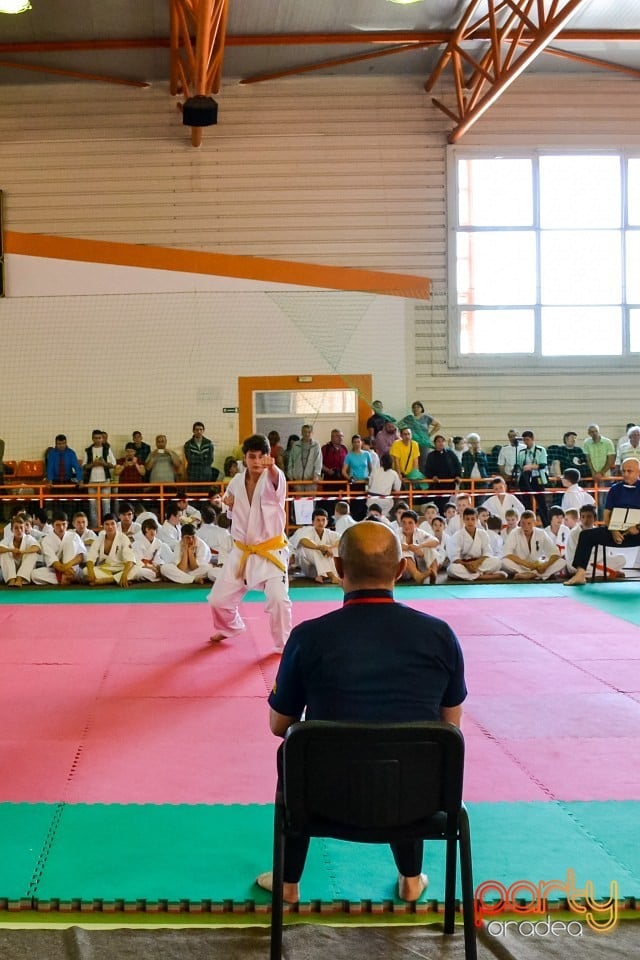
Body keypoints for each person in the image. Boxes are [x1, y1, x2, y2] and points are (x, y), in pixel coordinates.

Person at [259, 521, 467, 904]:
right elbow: (449, 727)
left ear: (338, 568)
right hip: (418, 802)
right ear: (402, 569)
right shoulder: (440, 636)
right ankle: (410, 878)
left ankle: (289, 882)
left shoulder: (308, 637)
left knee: (293, 750)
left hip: (322, 800)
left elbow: (279, 725)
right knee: (417, 748)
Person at [208, 434, 292, 653]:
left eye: (260, 457)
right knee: (218, 600)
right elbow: (230, 509)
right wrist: (226, 503)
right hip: (242, 551)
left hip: (270, 551)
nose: (256, 462)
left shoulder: (274, 476)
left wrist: (272, 468)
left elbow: (277, 481)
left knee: (278, 599)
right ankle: (230, 627)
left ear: (267, 457)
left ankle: (283, 645)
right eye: (251, 457)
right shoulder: (236, 481)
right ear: (244, 458)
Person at [565, 458, 640, 585]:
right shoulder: (615, 489)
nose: (626, 474)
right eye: (624, 471)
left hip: (636, 532)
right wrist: (613, 530)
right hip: (614, 531)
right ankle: (580, 574)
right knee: (586, 535)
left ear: (638, 472)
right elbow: (606, 514)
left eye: (629, 471)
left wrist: (638, 528)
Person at [502, 510, 565, 581]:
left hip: (537, 566)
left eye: (529, 523)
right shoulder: (515, 533)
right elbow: (507, 554)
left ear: (534, 523)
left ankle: (531, 574)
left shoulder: (541, 533)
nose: (526, 526)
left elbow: (555, 553)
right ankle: (534, 574)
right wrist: (526, 564)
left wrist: (546, 565)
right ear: (520, 523)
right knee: (505, 561)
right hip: (520, 565)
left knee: (561, 562)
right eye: (523, 523)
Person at [446, 507, 504, 581]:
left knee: (497, 562)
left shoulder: (483, 533)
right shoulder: (457, 535)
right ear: (463, 520)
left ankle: (470, 576)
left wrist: (477, 563)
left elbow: (487, 552)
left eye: (473, 519)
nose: (470, 522)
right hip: (464, 564)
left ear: (477, 520)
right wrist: (467, 565)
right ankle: (482, 576)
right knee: (452, 569)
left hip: (479, 563)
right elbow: (454, 557)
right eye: (467, 519)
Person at [31, 512, 86, 585]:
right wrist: (64, 570)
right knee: (34, 574)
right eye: (58, 525)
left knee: (70, 542)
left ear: (67, 524)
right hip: (57, 571)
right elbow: (54, 563)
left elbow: (80, 556)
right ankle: (67, 578)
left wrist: (68, 566)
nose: (61, 528)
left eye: (64, 524)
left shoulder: (73, 536)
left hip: (73, 569)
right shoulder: (46, 540)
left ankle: (66, 578)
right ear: (52, 525)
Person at [85, 513, 139, 586]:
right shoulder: (99, 539)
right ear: (103, 526)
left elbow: (130, 560)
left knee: (137, 568)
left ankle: (108, 580)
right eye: (107, 524)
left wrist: (124, 574)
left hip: (122, 567)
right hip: (107, 569)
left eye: (112, 524)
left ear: (116, 525)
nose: (110, 527)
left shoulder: (123, 538)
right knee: (85, 571)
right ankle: (116, 579)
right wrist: (91, 573)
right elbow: (90, 558)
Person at [289, 508, 340, 584]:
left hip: (318, 569)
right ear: (313, 522)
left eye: (323, 520)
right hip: (305, 564)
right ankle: (332, 576)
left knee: (335, 548)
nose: (321, 523)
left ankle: (322, 576)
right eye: (318, 520)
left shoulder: (329, 533)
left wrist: (329, 548)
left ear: (327, 522)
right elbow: (303, 541)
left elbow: (342, 539)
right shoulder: (306, 530)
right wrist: (320, 547)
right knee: (315, 550)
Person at [82, 429, 116, 527]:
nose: (98, 440)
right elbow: (84, 466)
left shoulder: (107, 449)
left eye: (99, 438)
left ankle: (107, 526)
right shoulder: (88, 450)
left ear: (102, 439)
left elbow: (113, 464)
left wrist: (103, 463)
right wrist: (93, 464)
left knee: (106, 505)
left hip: (105, 480)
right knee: (93, 506)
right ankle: (95, 526)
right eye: (96, 438)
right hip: (92, 481)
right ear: (92, 439)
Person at [515, 429, 549, 525]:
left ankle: (546, 523)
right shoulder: (521, 452)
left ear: (533, 439)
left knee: (541, 502)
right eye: (524, 440)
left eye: (528, 439)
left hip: (537, 477)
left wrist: (531, 466)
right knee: (526, 502)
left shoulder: (540, 450)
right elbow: (519, 466)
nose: (526, 442)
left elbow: (543, 464)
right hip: (525, 478)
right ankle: (528, 522)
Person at [0, 515, 40, 586]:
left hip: (25, 570)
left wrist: (22, 552)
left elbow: (37, 547)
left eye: (21, 528)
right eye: (16, 528)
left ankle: (20, 579)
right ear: (12, 530)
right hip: (11, 569)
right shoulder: (8, 539)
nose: (19, 530)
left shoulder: (28, 538)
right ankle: (11, 579)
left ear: (24, 529)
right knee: (4, 553)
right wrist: (11, 550)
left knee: (33, 553)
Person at [366, 453, 402, 517]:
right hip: (384, 501)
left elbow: (369, 485)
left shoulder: (375, 471)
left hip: (371, 500)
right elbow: (397, 489)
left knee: (370, 516)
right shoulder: (394, 474)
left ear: (381, 462)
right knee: (384, 514)